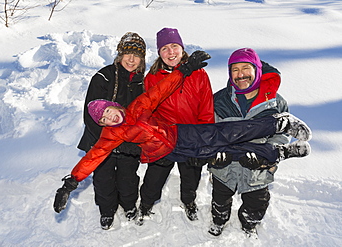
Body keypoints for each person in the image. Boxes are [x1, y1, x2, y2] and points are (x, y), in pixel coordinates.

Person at [53, 51, 312, 224]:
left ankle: (278, 123)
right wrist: (70, 183)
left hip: (182, 133)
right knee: (233, 152)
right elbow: (93, 157)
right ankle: (281, 152)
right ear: (102, 124)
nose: (110, 119)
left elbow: (162, 89)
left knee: (228, 133)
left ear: (114, 106)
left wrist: (184, 69)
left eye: (109, 112)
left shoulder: (137, 107)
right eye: (104, 120)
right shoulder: (112, 135)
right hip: (169, 152)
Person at [208, 48, 301, 237]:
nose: (240, 75)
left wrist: (266, 153)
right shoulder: (219, 100)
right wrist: (214, 154)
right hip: (224, 168)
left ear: (257, 69)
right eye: (235, 69)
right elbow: (209, 131)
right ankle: (219, 220)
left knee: (257, 202)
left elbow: (283, 134)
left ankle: (249, 223)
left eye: (245, 68)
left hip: (258, 168)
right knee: (220, 198)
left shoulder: (275, 102)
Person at [138, 27, 215, 224]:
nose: (171, 52)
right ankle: (145, 205)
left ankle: (188, 202)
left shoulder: (199, 74)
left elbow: (206, 109)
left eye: (174, 46)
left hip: (191, 137)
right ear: (159, 53)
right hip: (165, 138)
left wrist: (204, 142)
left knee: (191, 178)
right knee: (153, 179)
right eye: (165, 48)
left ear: (182, 48)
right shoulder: (152, 78)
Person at [76, 32, 146, 230]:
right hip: (101, 141)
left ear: (142, 59)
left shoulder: (142, 82)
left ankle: (129, 205)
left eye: (137, 55)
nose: (131, 60)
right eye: (127, 54)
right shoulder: (104, 76)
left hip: (129, 144)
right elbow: (91, 115)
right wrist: (108, 141)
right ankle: (107, 211)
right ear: (119, 55)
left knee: (128, 178)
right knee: (103, 178)